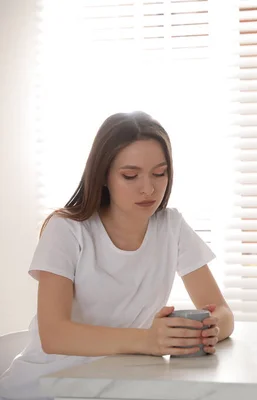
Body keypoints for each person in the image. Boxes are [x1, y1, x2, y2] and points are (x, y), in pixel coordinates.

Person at [0, 111, 234, 400]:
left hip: (118, 382)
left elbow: (222, 312)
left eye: (159, 173)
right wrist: (149, 340)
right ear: (104, 176)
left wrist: (210, 329)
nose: (148, 188)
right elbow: (54, 335)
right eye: (130, 175)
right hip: (42, 387)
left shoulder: (172, 227)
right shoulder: (67, 230)